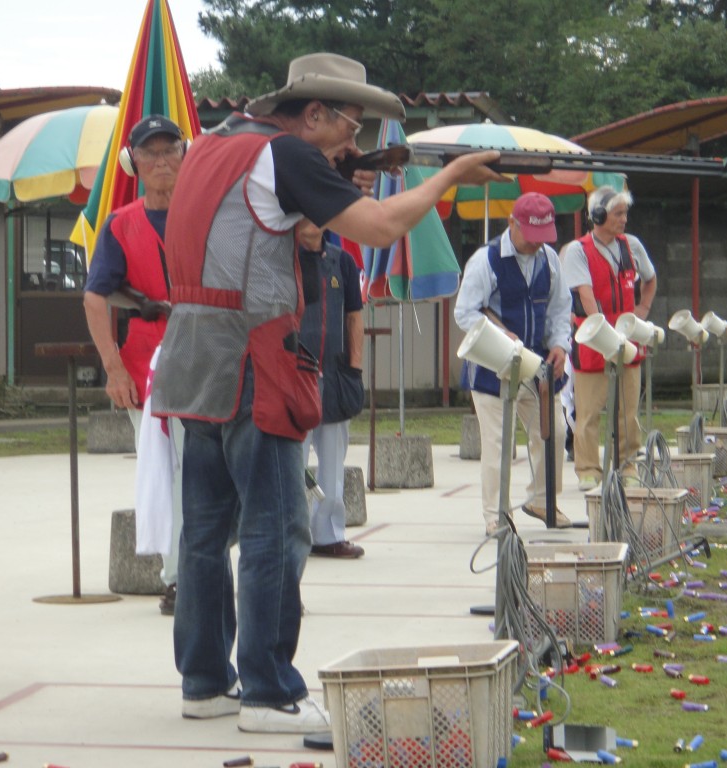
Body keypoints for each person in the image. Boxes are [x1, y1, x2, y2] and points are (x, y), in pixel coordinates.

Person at [149, 52, 502, 734]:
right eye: (349, 127)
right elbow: (378, 228)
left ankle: (204, 681)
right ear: (313, 114)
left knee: (204, 534)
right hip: (257, 354)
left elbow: (256, 233)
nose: (355, 144)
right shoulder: (286, 155)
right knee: (277, 530)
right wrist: (451, 174)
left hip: (195, 355)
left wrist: (320, 202)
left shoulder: (211, 146)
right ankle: (269, 691)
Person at [82, 114, 184, 616]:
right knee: (163, 475)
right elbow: (95, 297)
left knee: (207, 473)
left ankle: (195, 568)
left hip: (205, 356)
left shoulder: (205, 214)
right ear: (135, 162)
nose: (163, 160)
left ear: (185, 157)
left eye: (171, 150)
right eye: (152, 152)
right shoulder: (120, 225)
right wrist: (112, 367)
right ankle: (178, 578)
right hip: (145, 363)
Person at [454, 193, 573, 534]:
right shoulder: (485, 260)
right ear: (512, 224)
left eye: (544, 238)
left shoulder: (549, 259)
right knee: (498, 444)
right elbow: (465, 312)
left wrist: (561, 346)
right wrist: (500, 335)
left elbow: (559, 308)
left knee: (555, 431)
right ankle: (496, 515)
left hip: (538, 367)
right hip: (493, 369)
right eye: (532, 237)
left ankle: (541, 499)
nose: (538, 245)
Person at [561, 186, 658, 491]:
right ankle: (588, 468)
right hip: (593, 338)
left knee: (628, 409)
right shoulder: (578, 250)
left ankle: (628, 464)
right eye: (618, 213)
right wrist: (604, 332)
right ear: (598, 215)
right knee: (588, 410)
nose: (624, 219)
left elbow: (650, 278)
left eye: (625, 213)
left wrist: (643, 307)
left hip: (628, 337)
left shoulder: (632, 246)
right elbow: (585, 295)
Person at [297, 222, 365, 558]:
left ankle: (328, 535)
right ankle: (293, 532)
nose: (310, 221)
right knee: (293, 460)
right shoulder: (281, 258)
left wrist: (355, 367)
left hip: (335, 373)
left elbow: (354, 315)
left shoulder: (343, 262)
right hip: (294, 375)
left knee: (334, 459)